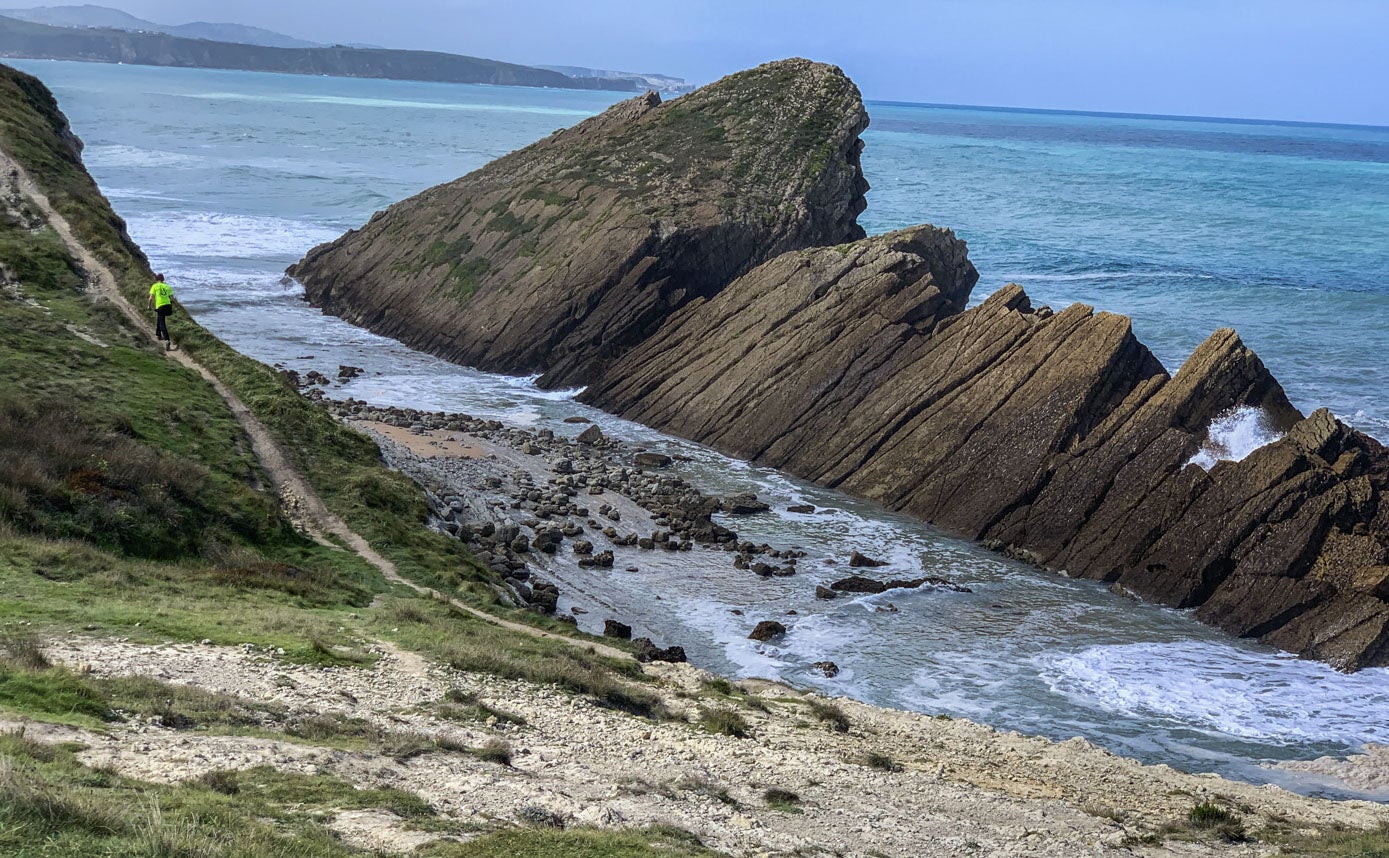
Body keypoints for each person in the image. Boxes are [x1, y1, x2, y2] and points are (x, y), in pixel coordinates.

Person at [147, 273, 175, 350]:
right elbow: (172, 298)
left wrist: (149, 306)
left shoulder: (154, 286)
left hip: (160, 306)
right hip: (168, 306)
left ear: (156, 279)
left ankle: (167, 340)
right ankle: (158, 334)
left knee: (162, 324)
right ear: (163, 279)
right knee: (160, 319)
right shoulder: (167, 286)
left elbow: (150, 298)